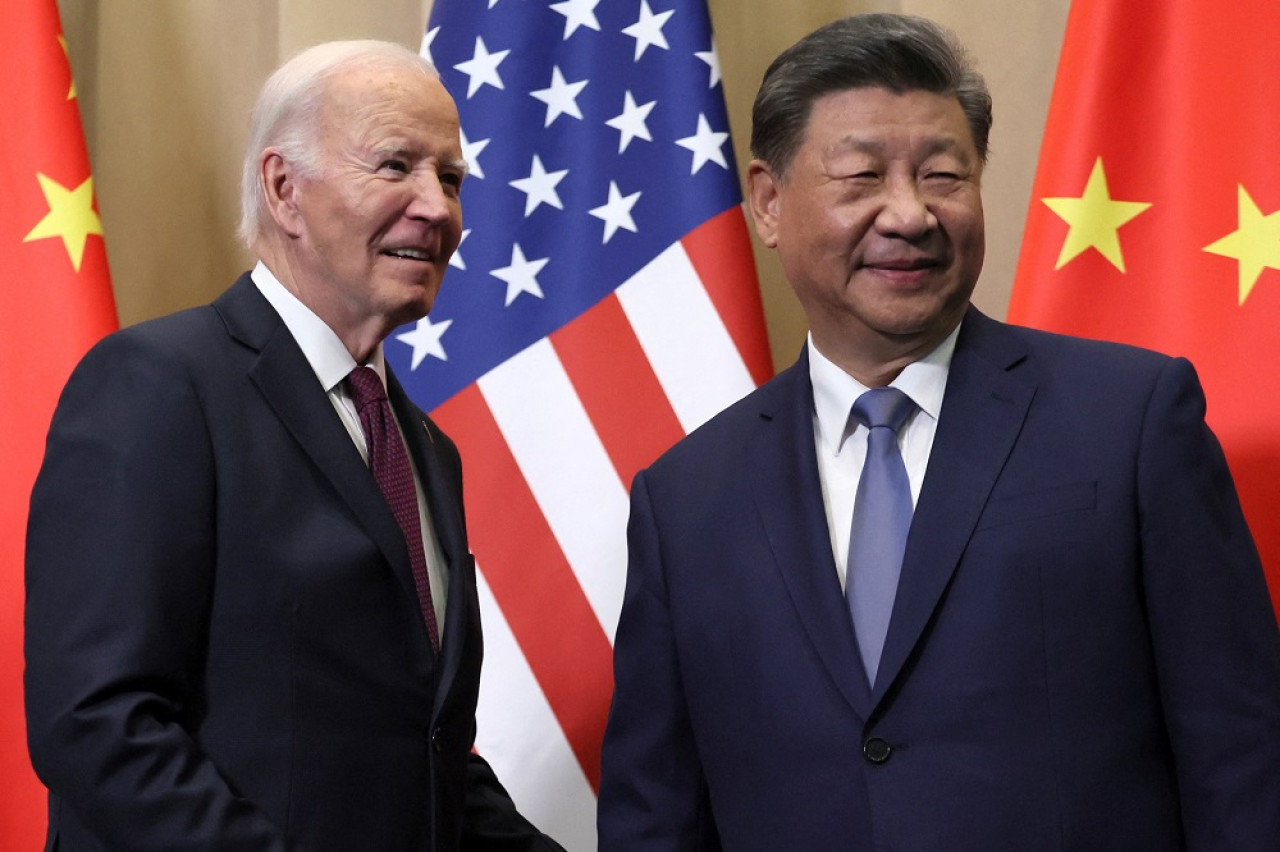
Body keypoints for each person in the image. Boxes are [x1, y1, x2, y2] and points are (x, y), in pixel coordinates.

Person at [597, 13, 1280, 851]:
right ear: (769, 201)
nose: (910, 214)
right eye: (862, 177)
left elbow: (1242, 756)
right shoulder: (685, 498)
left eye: (944, 174)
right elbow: (656, 813)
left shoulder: (1131, 419)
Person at [25, 40, 563, 851]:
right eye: (396, 166)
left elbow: (418, 747)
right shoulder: (159, 386)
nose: (438, 208)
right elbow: (98, 722)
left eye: (450, 179)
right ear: (284, 189)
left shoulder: (422, 446)